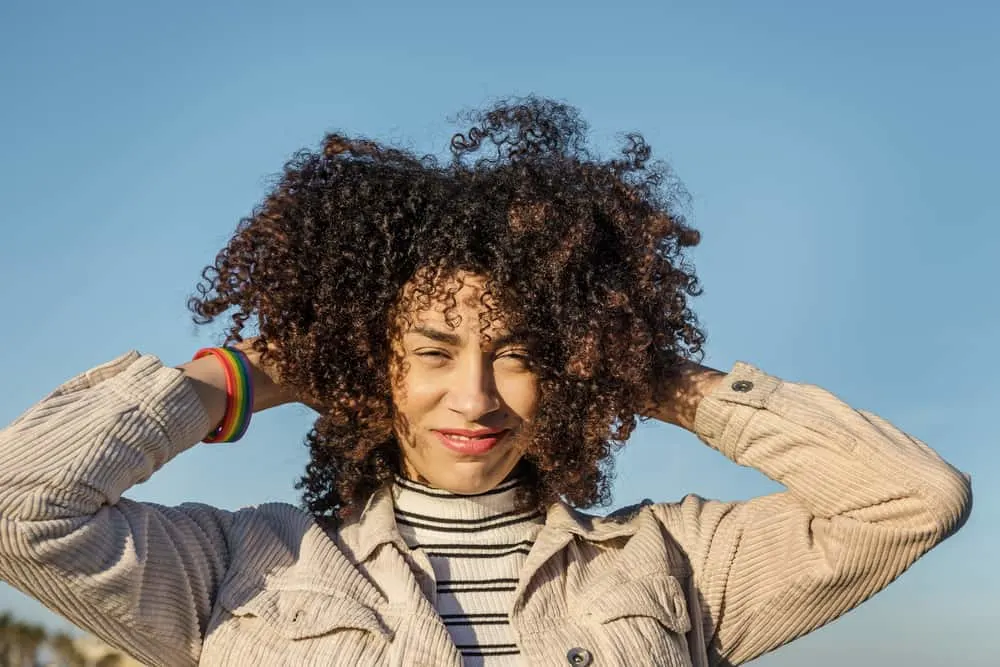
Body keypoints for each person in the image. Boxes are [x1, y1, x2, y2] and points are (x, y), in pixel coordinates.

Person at [0, 97, 971, 667]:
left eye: (518, 353)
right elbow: (20, 505)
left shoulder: (676, 562)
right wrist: (248, 375)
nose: (475, 398)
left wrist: (659, 377)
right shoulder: (233, 565)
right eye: (430, 352)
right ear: (368, 364)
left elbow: (912, 501)